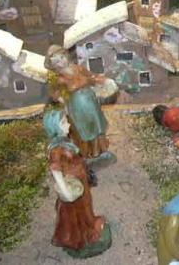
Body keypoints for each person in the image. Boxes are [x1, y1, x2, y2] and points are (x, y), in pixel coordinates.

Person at [44, 110, 111, 258]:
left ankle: (89, 225)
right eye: (63, 122)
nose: (68, 124)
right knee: (76, 213)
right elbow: (55, 170)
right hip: (73, 187)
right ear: (55, 126)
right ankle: (82, 237)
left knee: (86, 206)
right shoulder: (57, 150)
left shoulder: (64, 142)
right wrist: (66, 192)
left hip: (80, 180)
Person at [45, 45, 113, 161]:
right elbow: (54, 93)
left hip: (90, 101)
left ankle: (100, 151)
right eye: (57, 62)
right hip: (77, 105)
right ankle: (88, 154)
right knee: (85, 129)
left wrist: (103, 81)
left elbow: (92, 76)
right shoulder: (60, 79)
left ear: (66, 55)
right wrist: (62, 100)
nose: (61, 62)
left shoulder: (78, 69)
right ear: (54, 65)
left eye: (62, 57)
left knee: (96, 126)